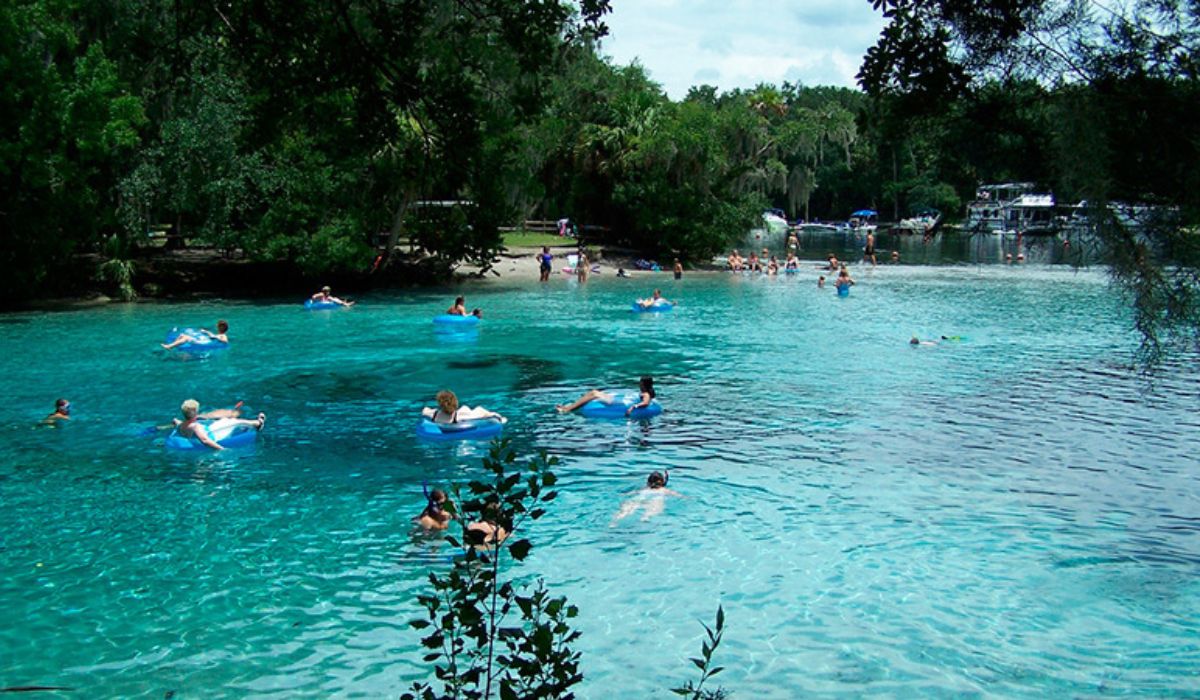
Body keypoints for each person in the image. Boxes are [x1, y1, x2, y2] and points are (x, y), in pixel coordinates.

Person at [173, 399, 265, 451]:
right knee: (233, 421)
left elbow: (178, 423)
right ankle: (257, 424)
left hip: (206, 432)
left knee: (225, 420)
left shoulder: (182, 425)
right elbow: (205, 440)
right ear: (196, 412)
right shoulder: (195, 426)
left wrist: (175, 421)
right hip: (215, 436)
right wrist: (221, 449)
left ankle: (249, 425)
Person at [557, 376, 655, 416]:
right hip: (619, 402)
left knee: (594, 393)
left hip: (619, 404)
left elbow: (646, 403)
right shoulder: (646, 392)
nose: (639, 384)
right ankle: (570, 407)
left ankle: (567, 409)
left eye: (640, 383)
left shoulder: (646, 393)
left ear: (643, 384)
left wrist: (633, 407)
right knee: (593, 393)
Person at [612, 470, 682, 523]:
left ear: (648, 482)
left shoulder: (644, 489)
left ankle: (614, 522)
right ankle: (645, 518)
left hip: (640, 498)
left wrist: (624, 494)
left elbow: (633, 493)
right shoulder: (664, 490)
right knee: (653, 509)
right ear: (662, 482)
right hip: (655, 499)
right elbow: (678, 495)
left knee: (626, 510)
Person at [422, 390, 506, 424]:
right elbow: (489, 416)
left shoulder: (433, 414)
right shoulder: (460, 417)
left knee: (465, 408)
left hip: (440, 415)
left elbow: (424, 410)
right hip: (460, 415)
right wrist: (500, 418)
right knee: (478, 409)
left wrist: (429, 409)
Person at [161, 320, 229, 349]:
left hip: (203, 343)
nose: (217, 327)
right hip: (203, 341)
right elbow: (212, 335)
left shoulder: (223, 335)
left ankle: (169, 346)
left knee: (186, 338)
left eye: (218, 326)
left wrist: (216, 337)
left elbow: (225, 341)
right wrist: (206, 331)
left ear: (221, 328)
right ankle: (174, 345)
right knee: (182, 335)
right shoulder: (218, 334)